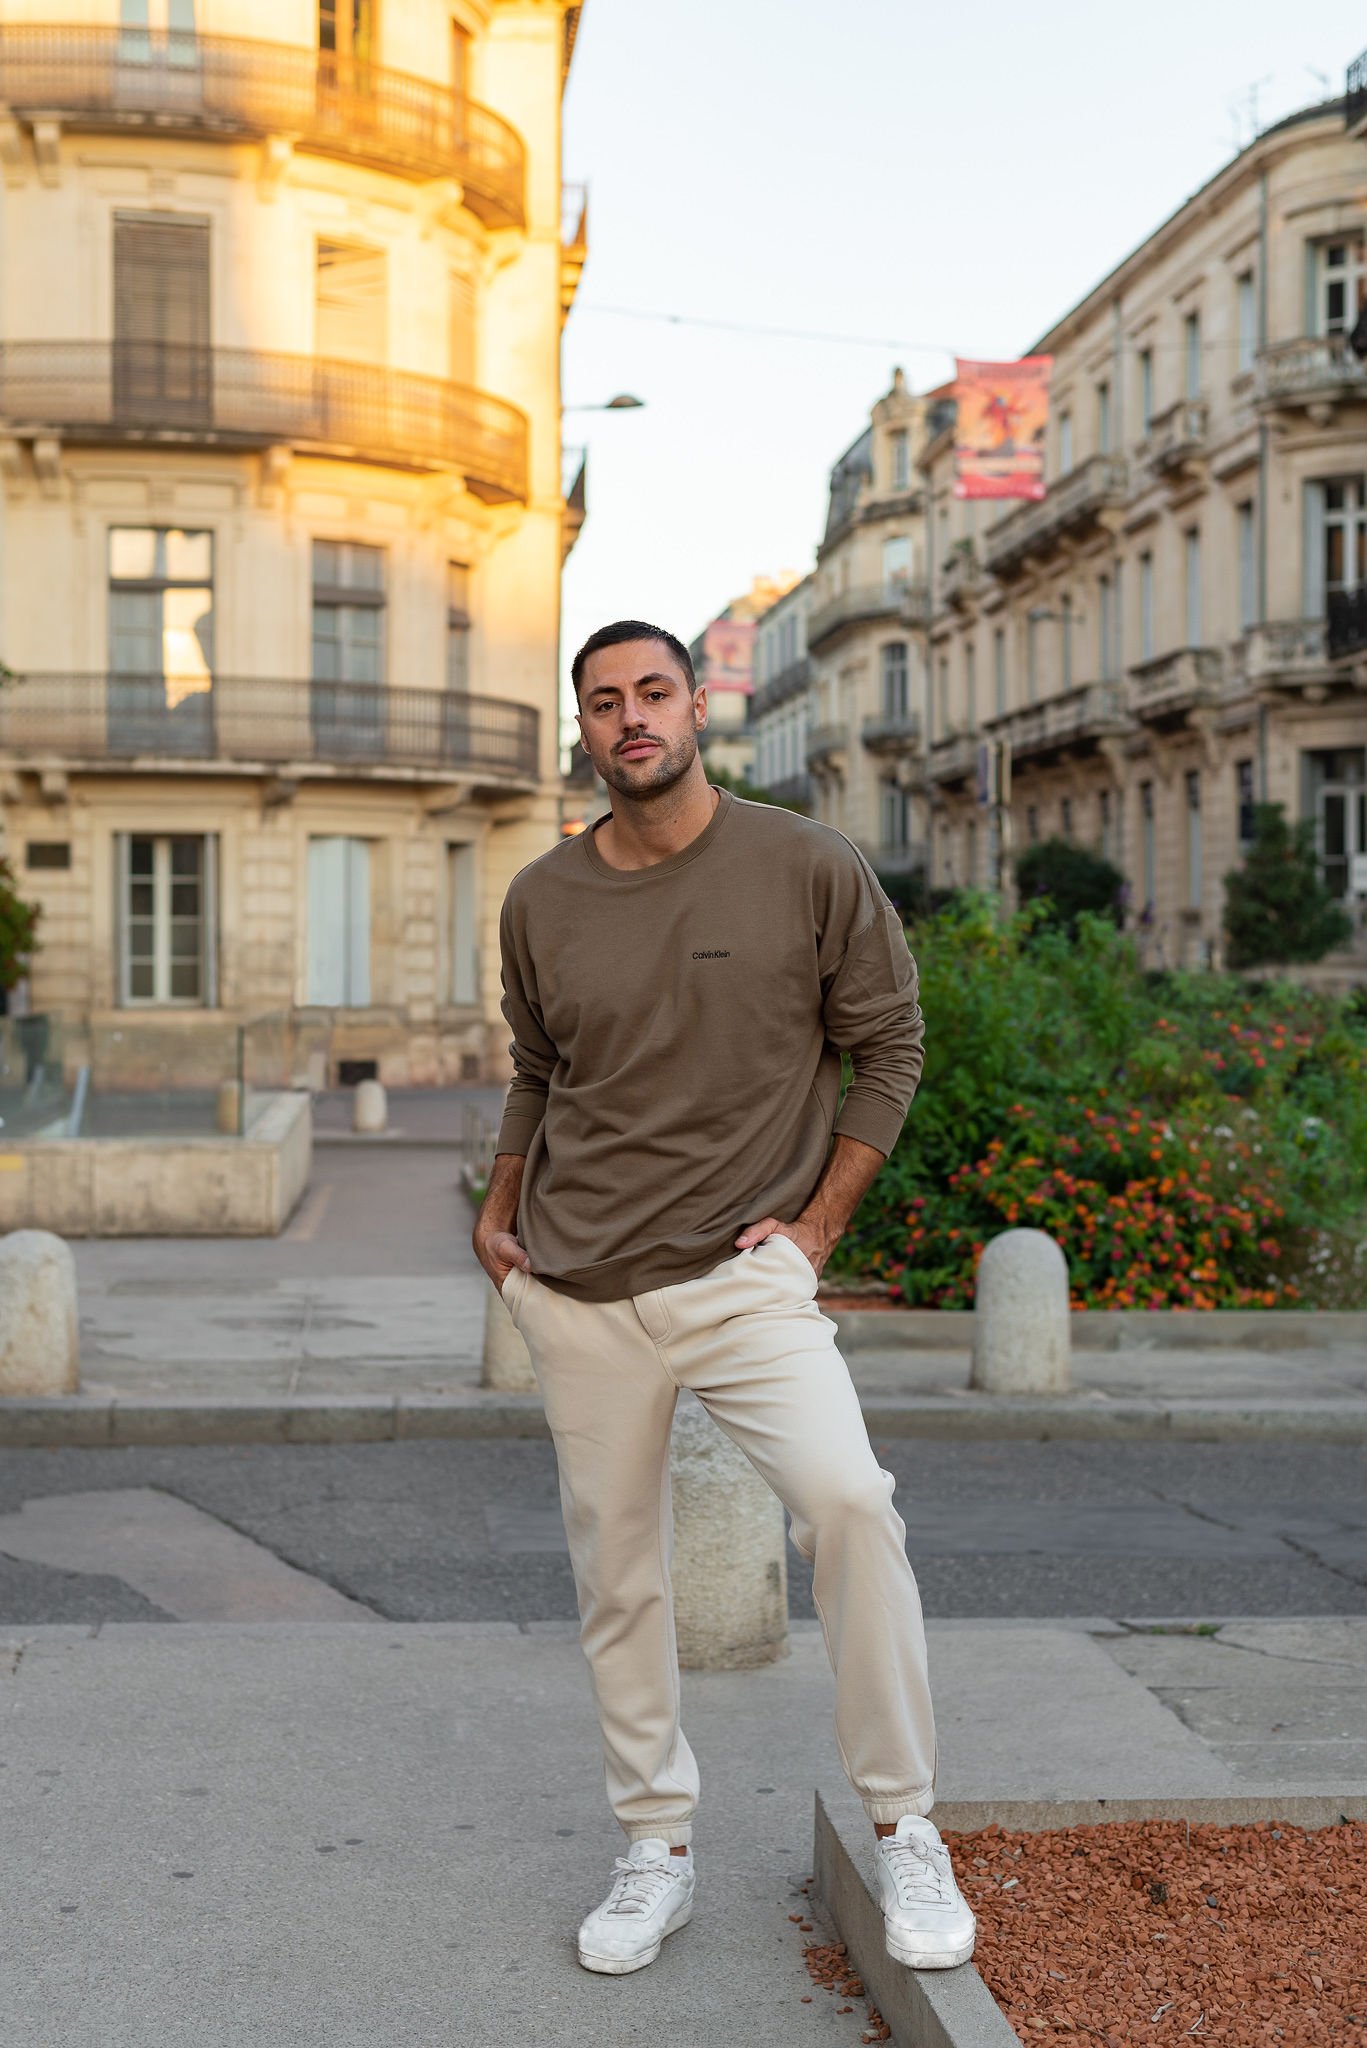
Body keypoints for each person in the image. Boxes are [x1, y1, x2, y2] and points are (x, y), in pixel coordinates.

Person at [472, 619, 975, 1979]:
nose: (631, 718)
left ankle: (904, 1823)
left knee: (852, 1503)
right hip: (579, 1289)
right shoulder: (539, 897)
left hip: (743, 1281)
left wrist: (817, 1225)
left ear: (700, 706)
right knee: (616, 1581)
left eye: (652, 692)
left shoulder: (805, 865)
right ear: (581, 729)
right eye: (603, 703)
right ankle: (657, 1848)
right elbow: (538, 1061)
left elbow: (889, 1044)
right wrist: (502, 1193)